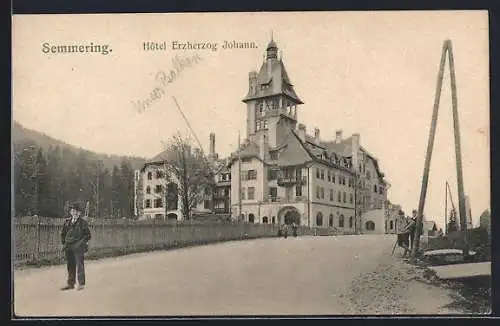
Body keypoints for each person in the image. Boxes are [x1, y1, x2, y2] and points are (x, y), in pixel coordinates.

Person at [60, 202, 92, 291]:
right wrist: (64, 243)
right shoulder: (67, 222)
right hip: (69, 246)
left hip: (78, 247)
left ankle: (81, 284)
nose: (75, 213)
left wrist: (80, 243)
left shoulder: (83, 223)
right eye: (73, 211)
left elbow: (88, 235)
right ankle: (70, 283)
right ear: (71, 212)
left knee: (80, 265)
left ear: (79, 213)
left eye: (77, 211)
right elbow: (63, 234)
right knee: (70, 265)